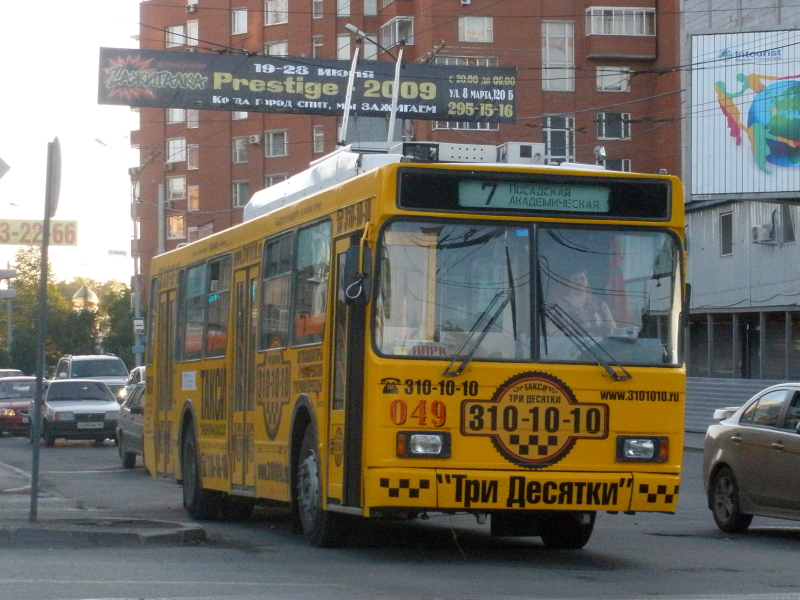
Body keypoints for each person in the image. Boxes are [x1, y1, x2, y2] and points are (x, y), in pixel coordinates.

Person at [547, 268, 616, 335]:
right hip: (568, 345)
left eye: (582, 278)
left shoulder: (600, 303)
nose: (579, 282)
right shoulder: (558, 305)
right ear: (568, 282)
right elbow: (550, 330)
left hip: (597, 345)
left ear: (587, 281)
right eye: (575, 279)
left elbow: (611, 327)